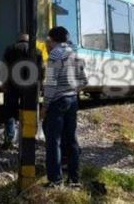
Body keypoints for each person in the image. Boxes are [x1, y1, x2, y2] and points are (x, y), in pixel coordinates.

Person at [42, 26, 88, 188]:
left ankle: (55, 180)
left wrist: (45, 105)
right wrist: (72, 89)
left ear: (51, 39)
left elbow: (51, 83)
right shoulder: (75, 54)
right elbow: (84, 81)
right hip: (72, 100)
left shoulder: (55, 54)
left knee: (53, 141)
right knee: (72, 139)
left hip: (58, 102)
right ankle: (74, 180)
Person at [1, 33, 44, 149]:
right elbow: (41, 70)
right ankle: (30, 138)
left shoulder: (10, 49)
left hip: (12, 85)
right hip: (30, 87)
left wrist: (4, 83)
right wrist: (40, 86)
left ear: (18, 40)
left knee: (10, 112)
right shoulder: (37, 51)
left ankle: (9, 138)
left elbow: (4, 68)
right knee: (30, 111)